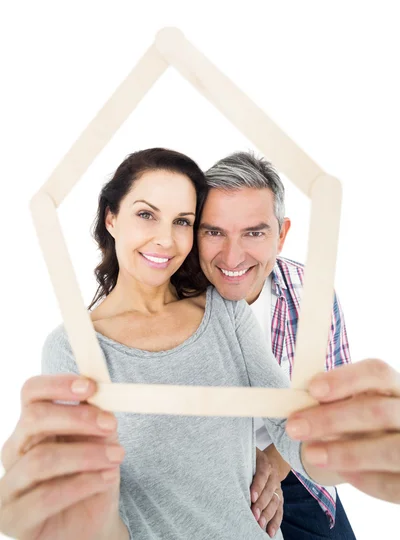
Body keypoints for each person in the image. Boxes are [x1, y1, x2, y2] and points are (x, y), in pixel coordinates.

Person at [0, 147, 332, 540]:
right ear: (111, 218)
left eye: (182, 221)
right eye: (146, 214)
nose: (165, 239)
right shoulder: (73, 349)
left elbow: (288, 425)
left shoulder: (225, 312)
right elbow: (95, 513)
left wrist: (336, 449)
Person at [198, 151, 356, 539]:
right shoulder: (171, 300)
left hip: (293, 465)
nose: (232, 256)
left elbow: (335, 410)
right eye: (214, 231)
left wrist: (274, 462)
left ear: (281, 234)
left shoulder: (311, 292)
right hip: (201, 472)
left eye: (254, 232)